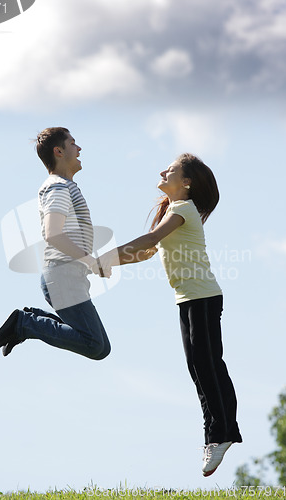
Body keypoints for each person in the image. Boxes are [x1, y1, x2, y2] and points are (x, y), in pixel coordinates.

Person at [99, 153, 242, 477]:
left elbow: (149, 240)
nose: (164, 171)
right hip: (189, 300)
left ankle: (220, 435)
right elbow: (148, 251)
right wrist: (106, 263)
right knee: (199, 366)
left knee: (207, 365)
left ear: (186, 182)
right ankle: (219, 434)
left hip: (203, 297)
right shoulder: (174, 212)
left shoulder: (182, 209)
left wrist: (103, 258)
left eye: (172, 170)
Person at [0, 127, 111, 360]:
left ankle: (28, 320)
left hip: (68, 276)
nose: (79, 148)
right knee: (95, 345)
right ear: (58, 151)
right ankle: (24, 323)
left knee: (101, 346)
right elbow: (52, 233)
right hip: (63, 276)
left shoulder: (65, 186)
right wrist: (90, 261)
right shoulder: (57, 186)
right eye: (73, 143)